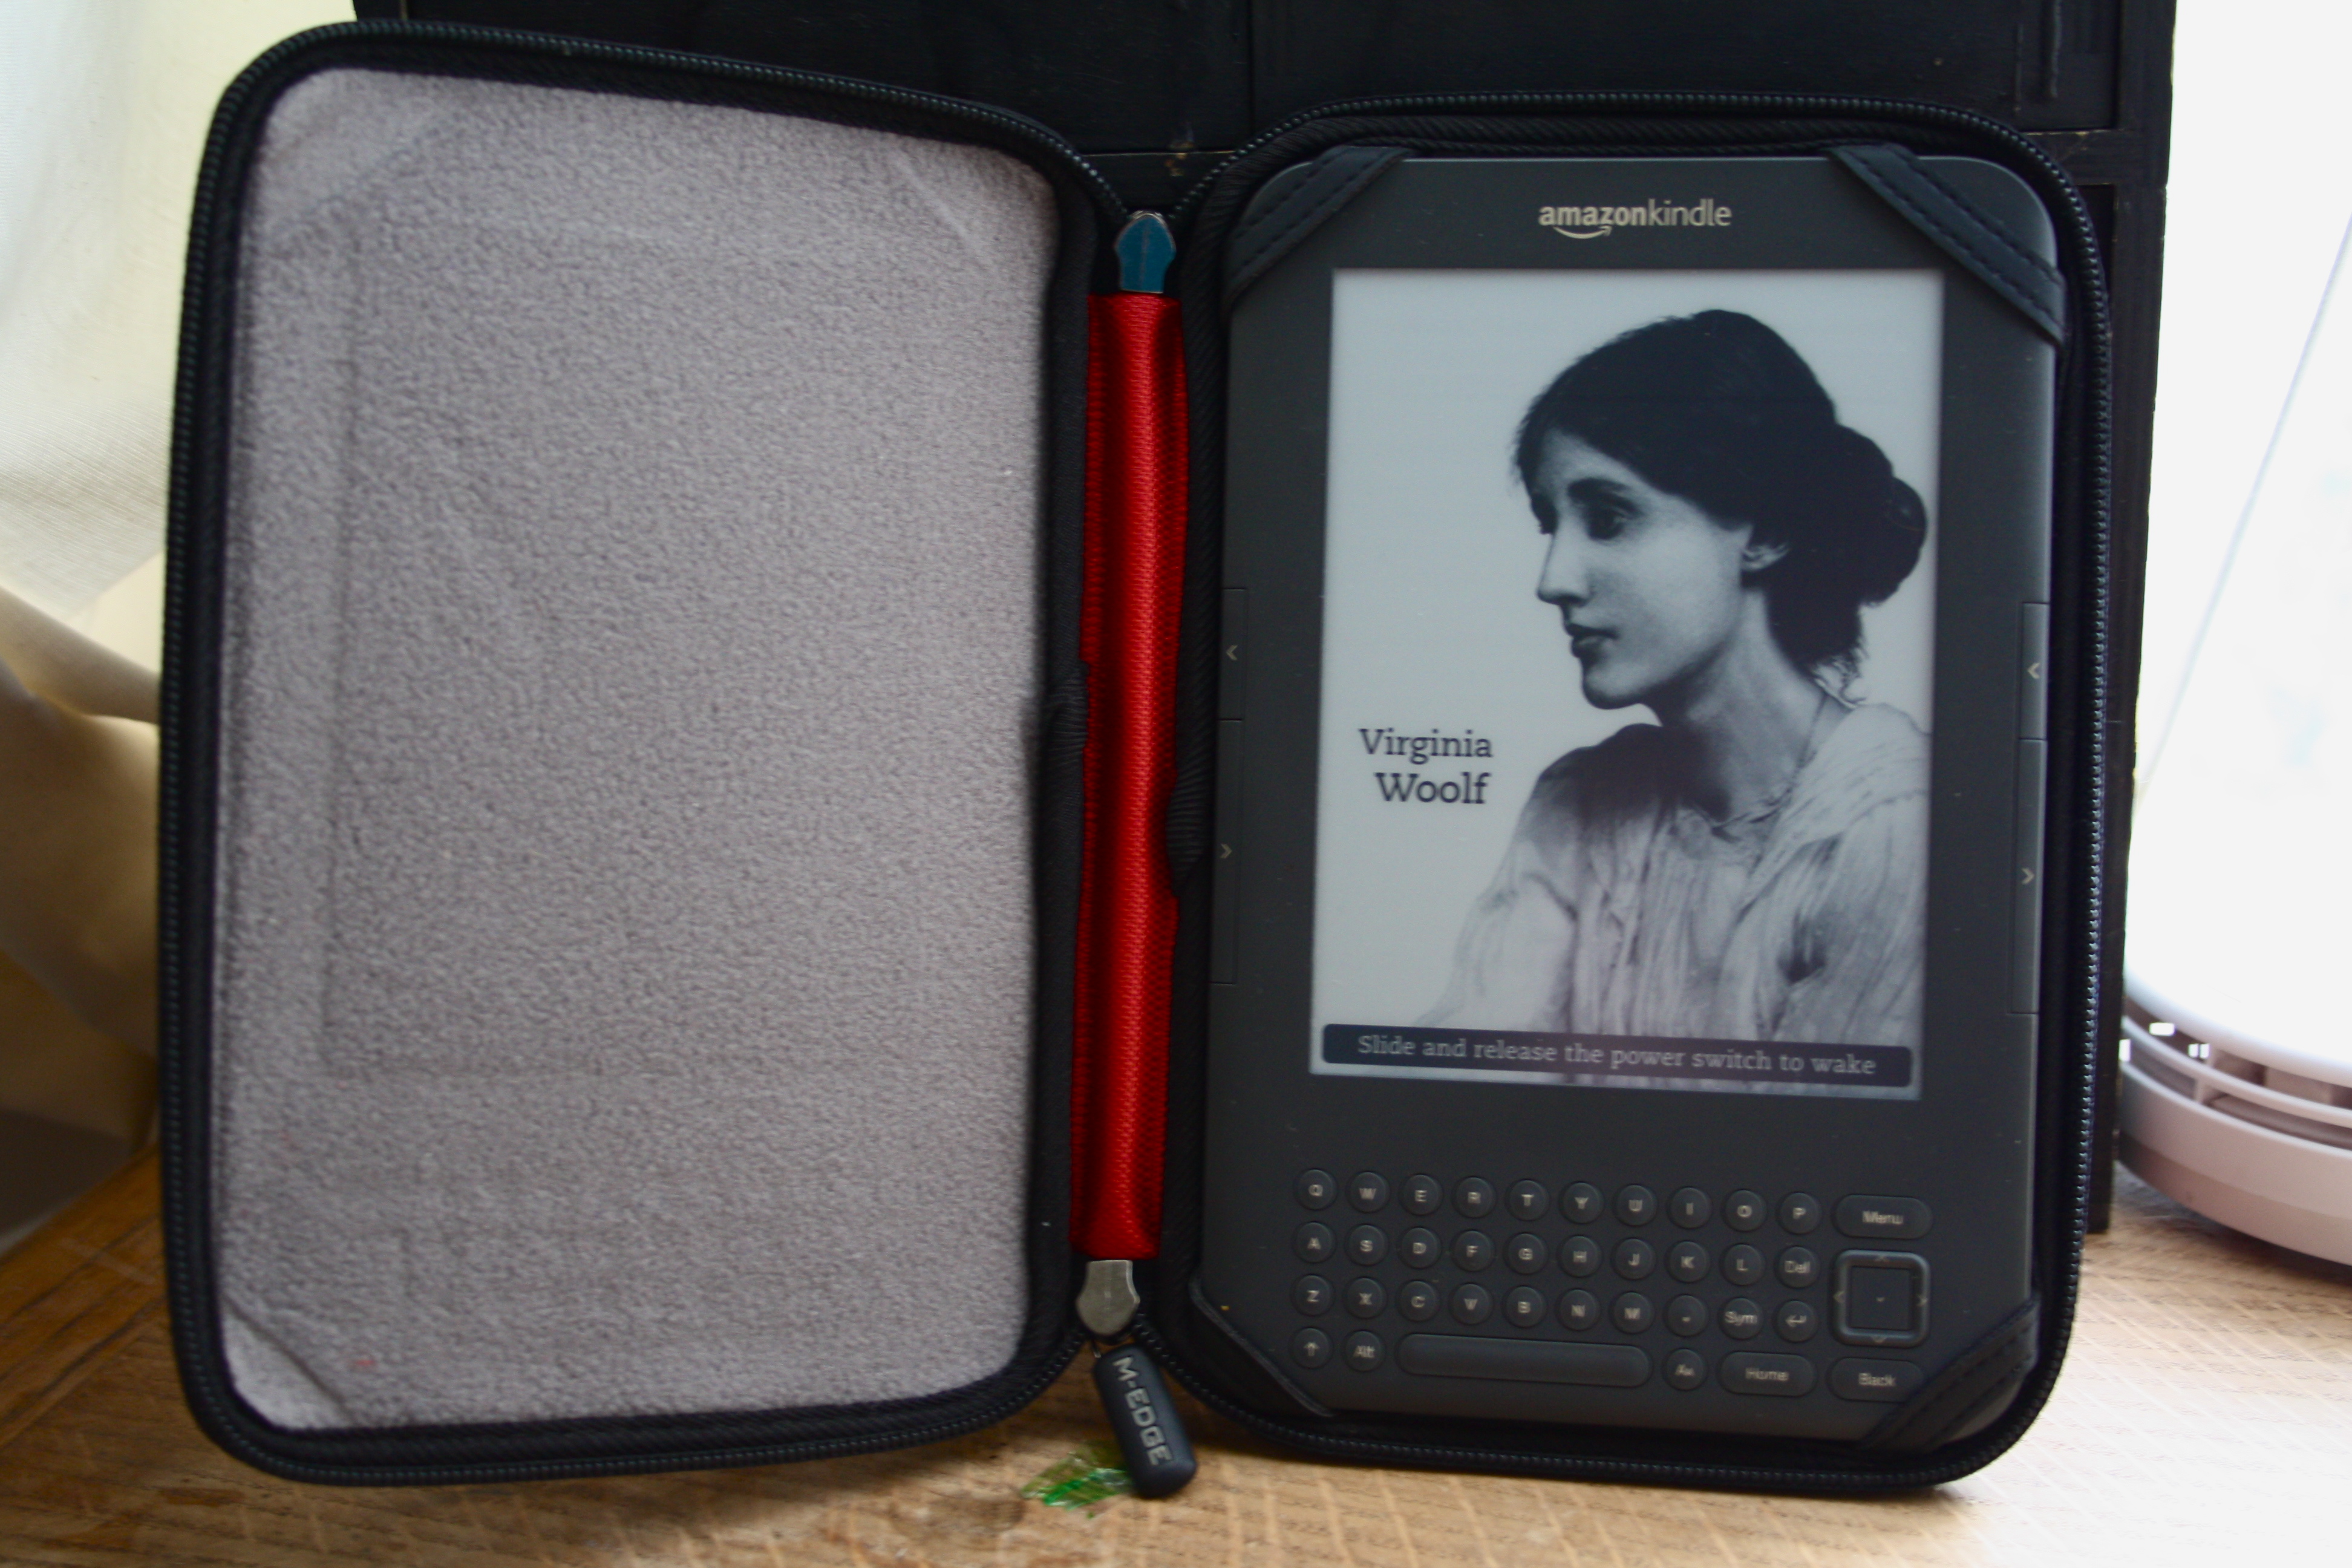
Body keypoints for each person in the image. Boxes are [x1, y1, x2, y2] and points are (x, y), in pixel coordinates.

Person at [1422, 310, 1930, 1051]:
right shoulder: (1580, 803)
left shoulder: (1894, 830)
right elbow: (1464, 1068)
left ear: (1766, 533)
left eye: (1609, 519)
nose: (1553, 580)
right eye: (1551, 524)